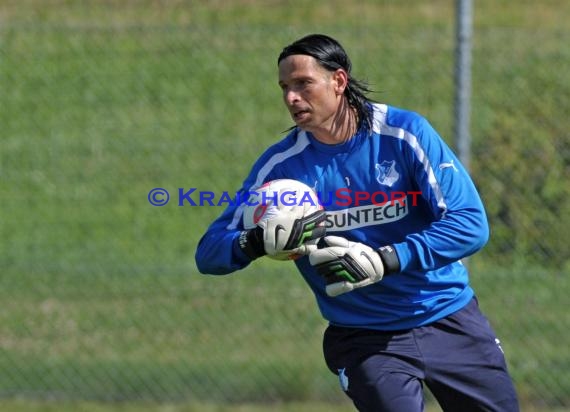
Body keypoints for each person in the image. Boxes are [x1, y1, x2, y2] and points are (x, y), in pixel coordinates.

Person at [195, 34, 519, 412]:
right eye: (284, 87)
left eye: (303, 84)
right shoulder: (282, 169)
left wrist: (385, 259)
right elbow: (209, 252)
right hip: (364, 337)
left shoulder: (403, 134)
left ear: (339, 81)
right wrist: (254, 242)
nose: (291, 98)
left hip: (447, 315)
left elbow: (469, 224)